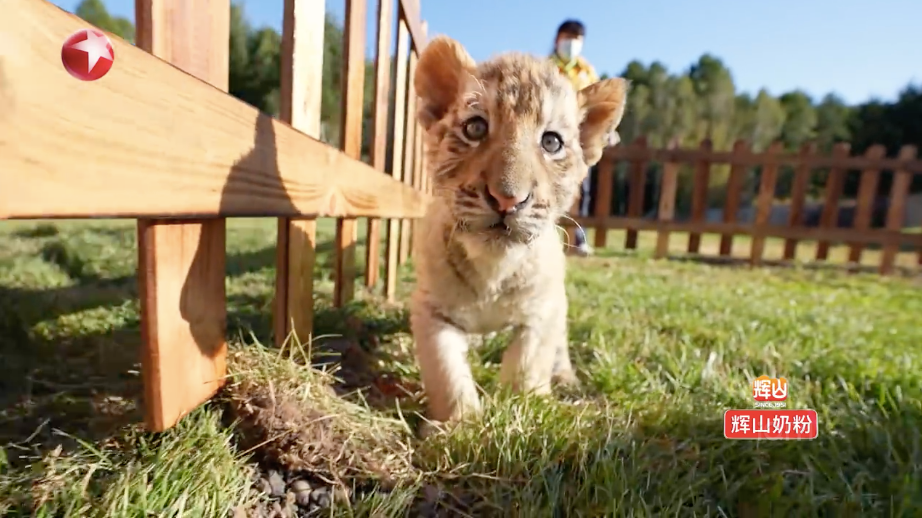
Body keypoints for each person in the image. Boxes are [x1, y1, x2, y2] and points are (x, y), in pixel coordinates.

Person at [549, 19, 600, 256]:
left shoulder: (587, 72)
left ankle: (576, 239)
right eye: (567, 38)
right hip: (549, 140)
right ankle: (544, 237)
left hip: (578, 142)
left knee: (581, 191)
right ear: (558, 39)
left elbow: (598, 105)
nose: (571, 44)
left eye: (576, 40)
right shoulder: (545, 67)